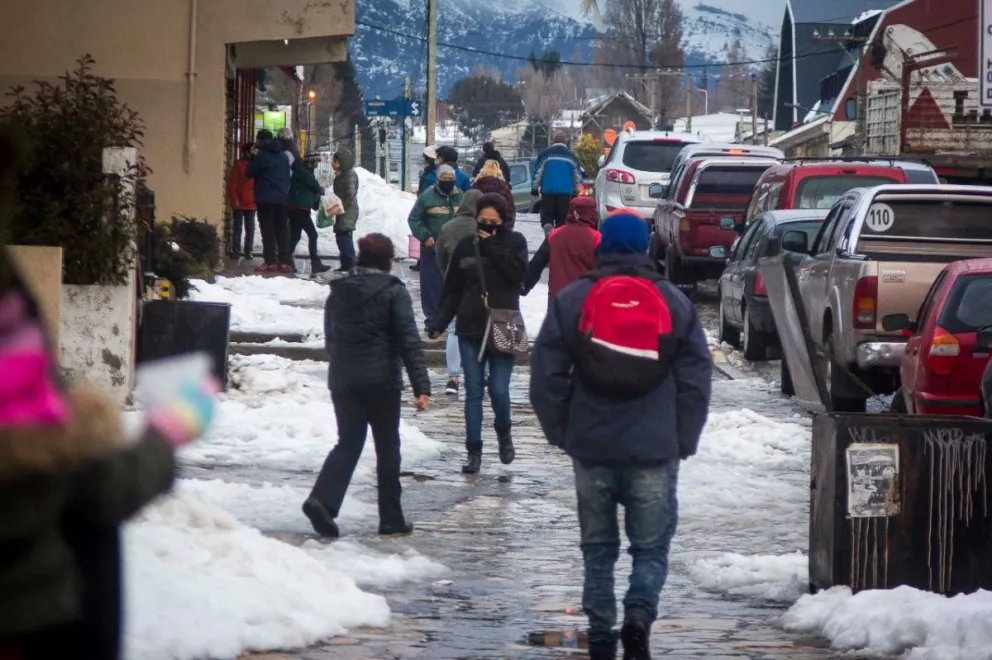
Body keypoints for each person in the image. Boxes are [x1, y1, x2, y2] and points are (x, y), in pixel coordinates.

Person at [528, 210, 712, 660]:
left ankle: (601, 631)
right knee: (650, 547)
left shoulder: (573, 299)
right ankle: (638, 616)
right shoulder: (672, 300)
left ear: (602, 247)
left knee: (598, 548)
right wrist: (683, 437)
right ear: (645, 247)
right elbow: (696, 377)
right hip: (654, 447)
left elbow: (545, 375)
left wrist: (561, 431)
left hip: (591, 444)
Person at [302, 233, 430, 538]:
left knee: (348, 442)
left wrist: (344, 365)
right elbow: (408, 340)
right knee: (387, 447)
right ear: (387, 261)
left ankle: (321, 499)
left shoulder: (339, 291)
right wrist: (420, 385)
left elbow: (330, 338)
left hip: (344, 379)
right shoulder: (393, 292)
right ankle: (391, 517)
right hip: (382, 381)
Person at [427, 193, 528, 474]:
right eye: (482, 222)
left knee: (498, 389)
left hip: (503, 325)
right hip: (470, 327)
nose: (487, 227)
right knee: (473, 391)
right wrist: (438, 322)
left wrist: (492, 246)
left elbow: (518, 276)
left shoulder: (515, 242)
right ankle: (474, 451)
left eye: (493, 223)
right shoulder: (464, 247)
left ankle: (503, 432)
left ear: (503, 222)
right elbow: (452, 290)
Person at [436, 189, 484, 396]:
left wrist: (448, 275)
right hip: (483, 286)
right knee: (484, 330)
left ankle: (453, 378)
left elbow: (440, 257)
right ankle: (486, 374)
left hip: (455, 285)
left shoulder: (448, 227)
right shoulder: (484, 227)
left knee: (454, 330)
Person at [408, 164, 463, 332]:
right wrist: (425, 236)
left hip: (455, 250)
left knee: (453, 284)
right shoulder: (427, 197)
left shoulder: (460, 196)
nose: (448, 182)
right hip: (432, 249)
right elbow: (414, 219)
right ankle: (432, 318)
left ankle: (452, 317)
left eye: (450, 179)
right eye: (444, 179)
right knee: (431, 285)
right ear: (438, 180)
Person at [523, 195, 600, 307]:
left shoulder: (554, 236)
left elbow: (537, 263)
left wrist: (524, 286)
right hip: (587, 302)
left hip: (558, 303)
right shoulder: (597, 238)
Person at [245, 129, 293, 273]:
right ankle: (284, 261)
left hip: (265, 198)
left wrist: (252, 156)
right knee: (281, 230)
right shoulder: (283, 156)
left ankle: (270, 261)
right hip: (282, 198)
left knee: (268, 230)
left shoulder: (261, 156)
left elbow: (249, 173)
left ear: (260, 141)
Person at [288, 151, 329, 274]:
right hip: (298, 208)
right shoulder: (301, 171)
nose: (317, 164)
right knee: (313, 235)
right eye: (316, 162)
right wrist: (319, 189)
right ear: (310, 162)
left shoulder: (306, 171)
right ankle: (315, 264)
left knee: (295, 236)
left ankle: (285, 258)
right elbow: (312, 183)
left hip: (300, 208)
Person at [532, 132, 582, 232]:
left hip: (548, 191)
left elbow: (538, 172)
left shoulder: (545, 154)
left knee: (547, 215)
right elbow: (578, 176)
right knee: (562, 218)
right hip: (566, 194)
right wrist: (577, 191)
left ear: (553, 141)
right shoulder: (571, 156)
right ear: (566, 142)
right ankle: (558, 236)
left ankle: (548, 229)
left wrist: (534, 187)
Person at [226, 142, 256, 260]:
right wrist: (234, 199)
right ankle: (236, 250)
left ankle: (248, 250)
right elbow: (232, 184)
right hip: (240, 200)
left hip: (251, 201)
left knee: (250, 228)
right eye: (252, 150)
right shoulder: (239, 165)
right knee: (238, 227)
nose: (254, 152)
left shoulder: (255, 164)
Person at [332, 149, 360, 272]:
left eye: (335, 161)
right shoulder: (342, 174)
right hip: (341, 209)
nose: (333, 164)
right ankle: (346, 264)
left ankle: (350, 264)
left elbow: (350, 194)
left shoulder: (350, 175)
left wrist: (339, 206)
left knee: (344, 237)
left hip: (347, 210)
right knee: (341, 237)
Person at [471, 164, 516, 230]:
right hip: (500, 228)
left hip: (478, 227)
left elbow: (469, 207)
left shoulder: (476, 186)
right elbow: (510, 209)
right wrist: (507, 230)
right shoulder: (503, 186)